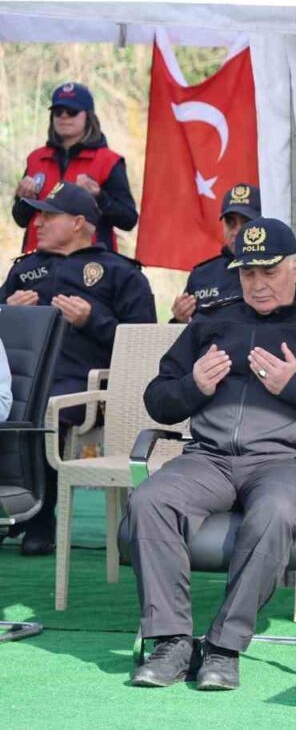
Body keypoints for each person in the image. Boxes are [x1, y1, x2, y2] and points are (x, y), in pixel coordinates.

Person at [125, 217, 296, 691]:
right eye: (248, 273)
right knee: (149, 499)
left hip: (288, 462)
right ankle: (172, 642)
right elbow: (158, 399)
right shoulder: (212, 321)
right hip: (208, 459)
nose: (258, 283)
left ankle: (223, 647)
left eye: (269, 271)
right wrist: (194, 385)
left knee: (274, 510)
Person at [1, 182, 156, 556]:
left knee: (43, 411)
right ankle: (11, 510)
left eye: (49, 215)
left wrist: (93, 321)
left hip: (82, 387)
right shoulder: (26, 269)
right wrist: (6, 311)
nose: (38, 223)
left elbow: (145, 345)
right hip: (18, 382)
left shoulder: (119, 272)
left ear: (78, 223)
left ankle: (39, 517)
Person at [13, 82, 137, 253]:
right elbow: (20, 219)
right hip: (39, 260)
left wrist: (99, 198)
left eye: (72, 112)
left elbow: (128, 220)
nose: (64, 117)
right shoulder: (36, 159)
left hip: (89, 261)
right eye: (58, 112)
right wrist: (24, 200)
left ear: (88, 116)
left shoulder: (108, 161)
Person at [169, 183, 262, 322]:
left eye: (246, 222)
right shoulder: (201, 276)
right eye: (230, 222)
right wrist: (179, 319)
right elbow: (186, 332)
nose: (237, 231)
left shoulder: (276, 271)